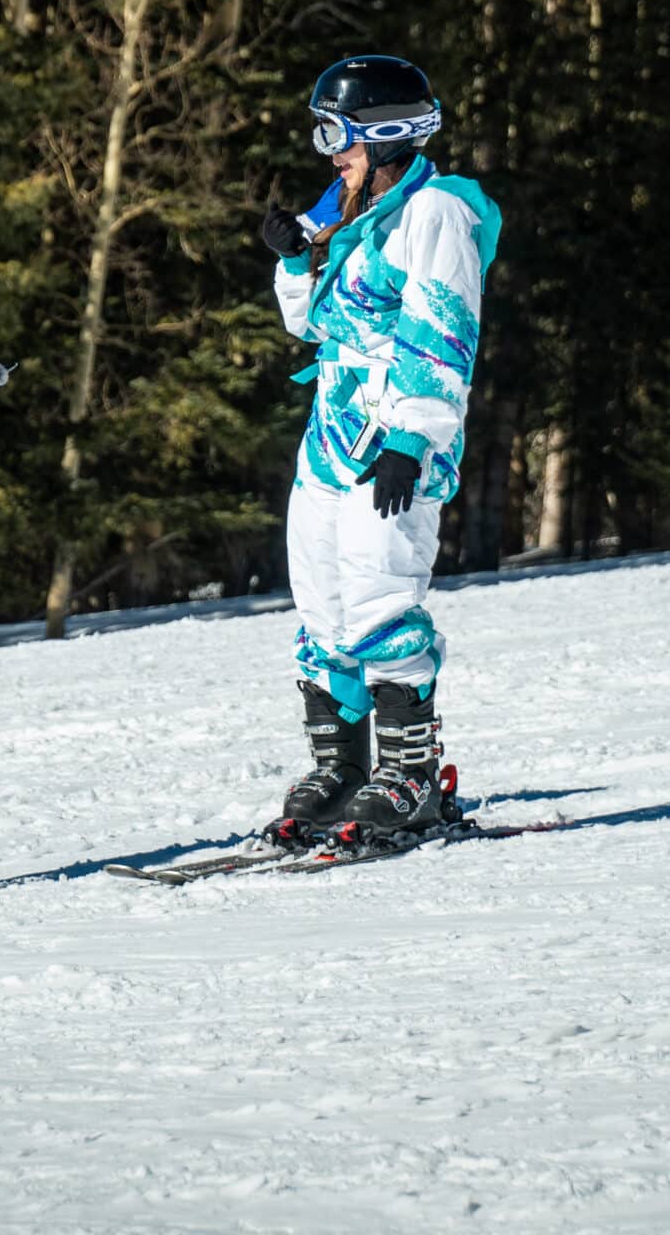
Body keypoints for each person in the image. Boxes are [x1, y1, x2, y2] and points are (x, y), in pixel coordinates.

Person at [258, 55, 501, 834]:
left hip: (391, 438)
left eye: (339, 134)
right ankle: (341, 769)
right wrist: (295, 258)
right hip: (331, 435)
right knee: (323, 604)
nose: (329, 152)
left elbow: (442, 328)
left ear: (388, 133)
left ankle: (410, 777)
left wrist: (414, 435)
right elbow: (314, 324)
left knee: (380, 597)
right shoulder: (354, 211)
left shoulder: (435, 213)